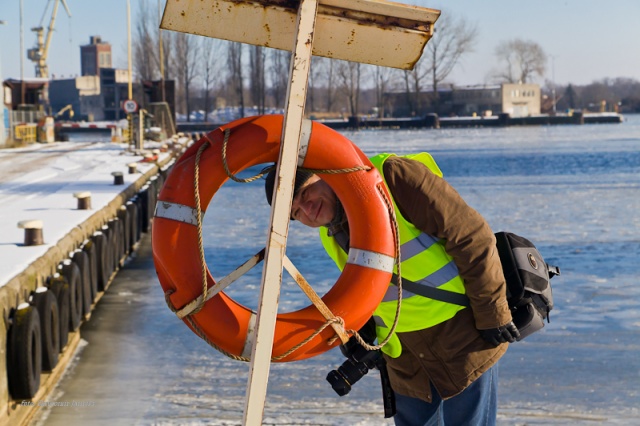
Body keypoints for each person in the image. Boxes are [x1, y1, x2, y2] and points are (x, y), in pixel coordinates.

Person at [264, 152, 519, 426]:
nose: (306, 209)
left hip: (460, 340)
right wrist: (359, 329)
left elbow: (472, 236)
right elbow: (370, 290)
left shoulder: (393, 176)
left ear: (324, 176)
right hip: (405, 360)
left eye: (304, 193)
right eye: (295, 213)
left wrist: (493, 313)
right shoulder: (330, 236)